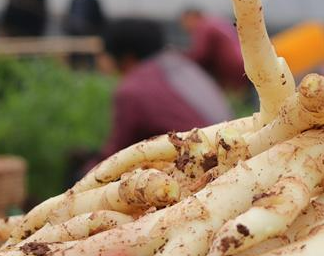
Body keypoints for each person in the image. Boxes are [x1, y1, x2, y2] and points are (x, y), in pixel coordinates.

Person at [92, 18, 232, 165]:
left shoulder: (132, 90)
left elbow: (115, 156)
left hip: (202, 165)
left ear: (126, 56)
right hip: (228, 148)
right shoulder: (182, 64)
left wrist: (82, 174)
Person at [180, 8, 247, 92]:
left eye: (184, 21)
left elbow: (200, 54)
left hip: (232, 68)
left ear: (191, 17)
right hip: (243, 63)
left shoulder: (202, 26)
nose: (184, 26)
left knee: (232, 100)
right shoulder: (215, 22)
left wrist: (181, 58)